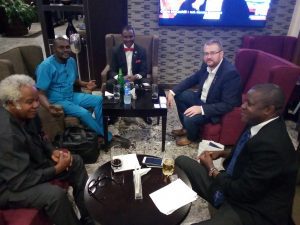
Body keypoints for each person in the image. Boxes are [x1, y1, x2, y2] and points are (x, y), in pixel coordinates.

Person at [176, 83, 298, 225]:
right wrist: (223, 152)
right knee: (181, 161)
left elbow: (242, 192)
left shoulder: (273, 146)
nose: (243, 106)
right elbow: (249, 153)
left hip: (250, 208)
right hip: (231, 185)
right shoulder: (257, 120)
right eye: (245, 101)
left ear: (268, 110)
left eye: (249, 104)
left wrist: (212, 169)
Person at [0, 74, 95, 225]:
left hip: (30, 165)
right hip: (10, 186)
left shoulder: (28, 113)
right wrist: (57, 169)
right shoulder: (7, 134)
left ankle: (89, 217)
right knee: (55, 196)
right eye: (30, 102)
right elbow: (19, 181)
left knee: (75, 161)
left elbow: (40, 136)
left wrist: (52, 151)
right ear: (11, 103)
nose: (36, 105)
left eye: (37, 99)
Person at [167, 39, 241, 146]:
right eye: (206, 53)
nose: (209, 57)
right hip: (202, 99)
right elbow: (193, 79)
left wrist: (201, 109)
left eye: (212, 53)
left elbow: (228, 105)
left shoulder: (230, 74)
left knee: (189, 117)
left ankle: (191, 137)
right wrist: (172, 91)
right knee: (180, 95)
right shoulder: (206, 64)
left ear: (221, 54)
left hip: (214, 108)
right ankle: (187, 128)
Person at [36, 37, 112, 142]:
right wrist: (49, 107)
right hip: (57, 100)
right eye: (61, 47)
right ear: (54, 49)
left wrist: (86, 84)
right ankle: (107, 137)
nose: (65, 50)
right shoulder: (46, 66)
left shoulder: (71, 61)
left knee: (100, 100)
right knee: (85, 113)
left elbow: (75, 80)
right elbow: (40, 93)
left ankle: (99, 131)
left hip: (71, 95)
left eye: (67, 47)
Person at [107, 25, 152, 124]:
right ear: (122, 37)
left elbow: (145, 70)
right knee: (109, 83)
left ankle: (145, 113)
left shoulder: (141, 50)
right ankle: (113, 114)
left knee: (146, 84)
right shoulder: (115, 51)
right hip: (121, 78)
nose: (128, 39)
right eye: (125, 37)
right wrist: (121, 77)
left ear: (134, 36)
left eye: (131, 36)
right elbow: (112, 71)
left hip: (136, 78)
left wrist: (136, 76)